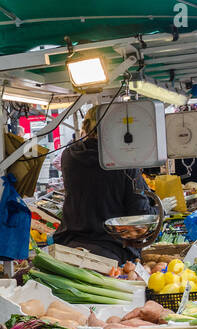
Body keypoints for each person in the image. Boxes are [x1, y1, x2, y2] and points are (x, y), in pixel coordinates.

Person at [54, 107, 158, 263]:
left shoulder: (69, 155)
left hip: (69, 245)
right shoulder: (123, 160)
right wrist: (156, 209)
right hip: (111, 249)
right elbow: (139, 213)